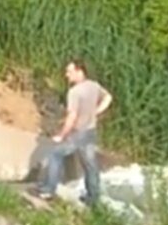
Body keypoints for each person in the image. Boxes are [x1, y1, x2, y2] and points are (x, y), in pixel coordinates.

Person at [33, 58, 113, 204]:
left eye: (69, 71)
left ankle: (48, 190)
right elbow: (108, 97)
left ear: (79, 71)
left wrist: (61, 135)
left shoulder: (75, 92)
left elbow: (72, 116)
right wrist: (96, 111)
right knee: (90, 165)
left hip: (79, 133)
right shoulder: (94, 86)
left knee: (55, 154)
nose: (66, 75)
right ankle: (93, 198)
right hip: (91, 131)